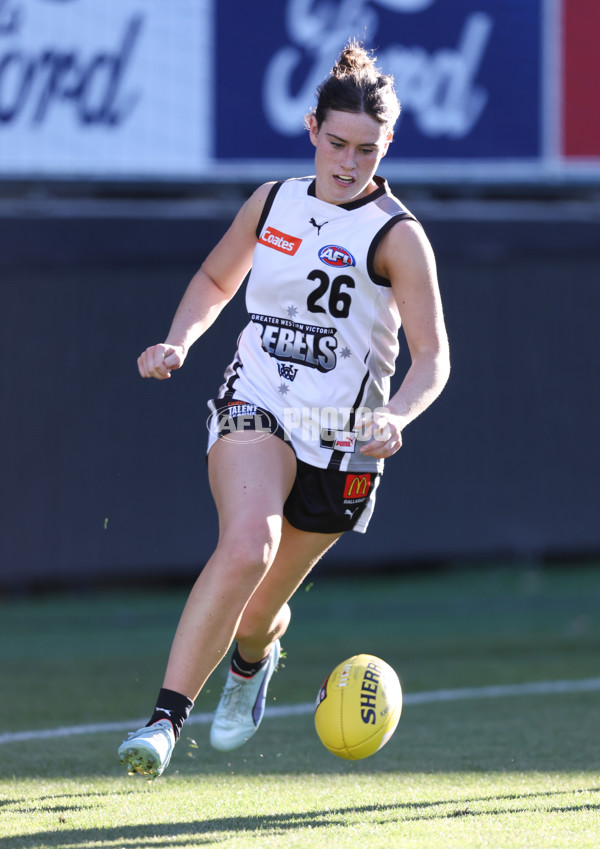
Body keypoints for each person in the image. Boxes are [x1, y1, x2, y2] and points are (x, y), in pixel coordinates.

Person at [118, 40, 450, 780]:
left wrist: (398, 413)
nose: (348, 161)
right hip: (256, 401)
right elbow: (214, 276)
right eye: (336, 142)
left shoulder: (398, 236)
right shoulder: (273, 201)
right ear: (311, 130)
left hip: (344, 439)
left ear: (386, 145)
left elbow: (433, 358)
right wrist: (178, 340)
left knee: (262, 604)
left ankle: (252, 661)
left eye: (367, 148)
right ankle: (165, 722)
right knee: (246, 547)